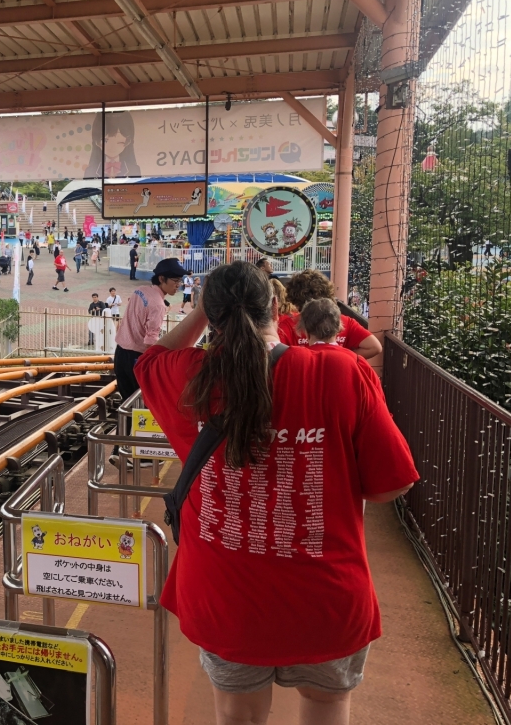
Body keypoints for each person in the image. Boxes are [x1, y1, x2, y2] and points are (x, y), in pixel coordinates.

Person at [134, 261, 417, 725]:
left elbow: (148, 359)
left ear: (212, 312)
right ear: (277, 307)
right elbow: (394, 484)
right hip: (326, 597)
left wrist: (204, 308)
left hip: (225, 597)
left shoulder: (189, 376)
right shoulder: (343, 372)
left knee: (237, 715)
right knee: (325, 706)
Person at [112, 257, 186, 405]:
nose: (178, 285)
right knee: (141, 405)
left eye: (180, 281)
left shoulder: (139, 290)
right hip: (136, 358)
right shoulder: (159, 305)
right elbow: (150, 341)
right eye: (175, 281)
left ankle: (124, 428)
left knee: (127, 402)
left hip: (120, 353)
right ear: (161, 278)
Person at [282, 270, 383, 359]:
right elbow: (374, 347)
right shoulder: (343, 321)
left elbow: (274, 355)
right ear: (327, 293)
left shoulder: (288, 325)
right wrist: (345, 357)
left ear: (295, 299)